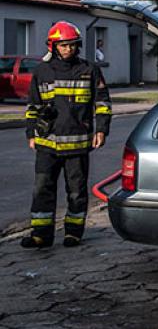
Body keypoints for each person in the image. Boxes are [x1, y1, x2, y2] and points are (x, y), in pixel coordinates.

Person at [22, 21, 111, 249]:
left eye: (71, 45)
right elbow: (33, 105)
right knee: (42, 189)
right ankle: (40, 234)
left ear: (78, 46)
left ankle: (73, 232)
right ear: (53, 46)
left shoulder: (89, 70)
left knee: (76, 191)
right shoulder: (42, 71)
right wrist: (31, 132)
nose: (68, 49)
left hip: (77, 144)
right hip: (46, 142)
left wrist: (101, 129)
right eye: (63, 45)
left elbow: (102, 103)